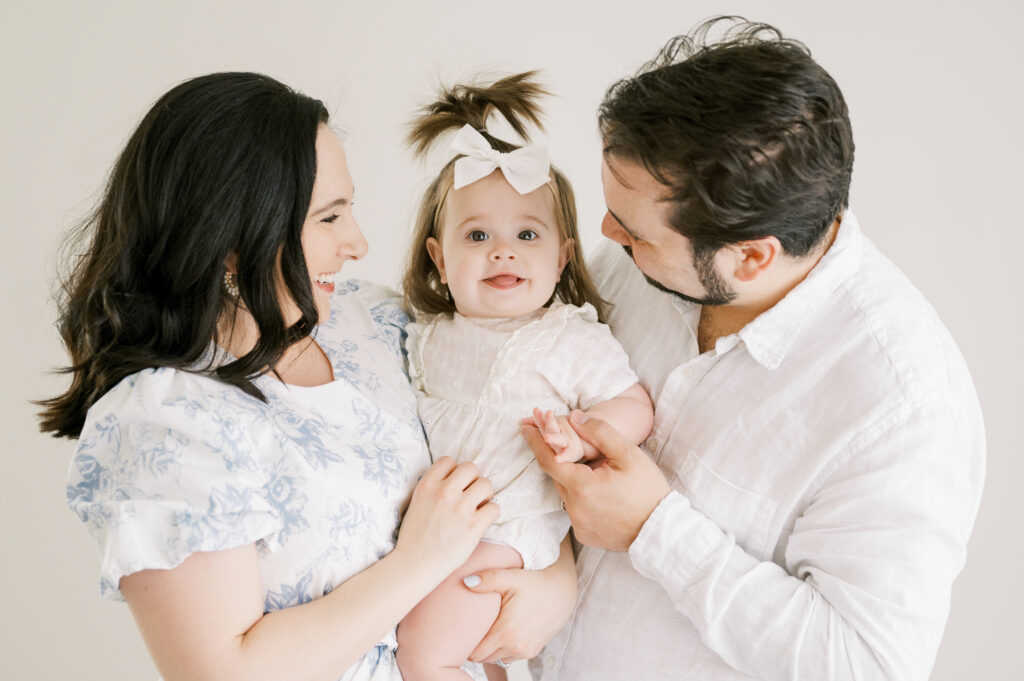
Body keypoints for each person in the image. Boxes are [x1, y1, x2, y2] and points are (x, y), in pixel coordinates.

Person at [522, 18, 986, 681]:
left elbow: (866, 664)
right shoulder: (646, 263)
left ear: (750, 256)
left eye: (633, 231)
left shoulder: (902, 404)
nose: (606, 233)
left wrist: (653, 529)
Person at [37, 71, 523, 681]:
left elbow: (524, 427)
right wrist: (420, 560)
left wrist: (550, 586)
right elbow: (225, 673)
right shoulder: (168, 421)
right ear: (233, 243)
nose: (358, 243)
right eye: (329, 218)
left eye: (351, 209)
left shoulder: (373, 322)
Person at [395, 73, 654, 680]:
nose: (503, 251)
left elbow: (633, 403)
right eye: (478, 235)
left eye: (527, 235)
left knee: (426, 656)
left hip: (505, 528)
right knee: (476, 658)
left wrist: (584, 434)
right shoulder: (425, 335)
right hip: (440, 527)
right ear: (439, 258)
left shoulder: (569, 336)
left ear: (562, 257)